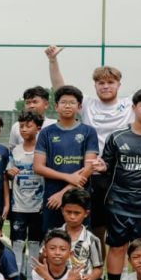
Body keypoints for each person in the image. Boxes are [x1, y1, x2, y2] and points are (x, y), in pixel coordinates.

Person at [47, 40, 141, 245]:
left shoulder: (129, 104)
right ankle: (99, 263)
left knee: (125, 232)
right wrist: (53, 60)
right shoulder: (87, 103)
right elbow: (60, 89)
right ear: (95, 85)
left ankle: (127, 265)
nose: (106, 86)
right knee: (97, 226)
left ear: (118, 85)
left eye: (110, 82)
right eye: (101, 83)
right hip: (94, 174)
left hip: (122, 175)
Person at [97, 88, 141, 280]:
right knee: (117, 247)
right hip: (118, 201)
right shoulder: (117, 137)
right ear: (134, 108)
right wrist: (101, 166)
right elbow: (106, 165)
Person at [33, 86, 99, 233]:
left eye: (72, 102)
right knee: (52, 239)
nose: (67, 106)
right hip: (52, 198)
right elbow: (38, 167)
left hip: (79, 196)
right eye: (63, 102)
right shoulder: (46, 133)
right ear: (56, 106)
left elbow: (89, 167)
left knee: (79, 241)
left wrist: (63, 193)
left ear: (79, 107)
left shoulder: (89, 132)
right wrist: (68, 177)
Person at [6, 110, 45, 280]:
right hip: (18, 207)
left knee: (35, 244)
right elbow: (8, 173)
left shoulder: (43, 150)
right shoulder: (15, 151)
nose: (23, 129)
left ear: (38, 128)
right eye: (21, 126)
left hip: (38, 207)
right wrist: (9, 173)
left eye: (28, 126)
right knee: (17, 243)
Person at [8, 86, 50, 151]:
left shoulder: (54, 126)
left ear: (46, 104)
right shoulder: (16, 126)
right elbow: (12, 149)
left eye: (35, 102)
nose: (31, 106)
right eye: (28, 103)